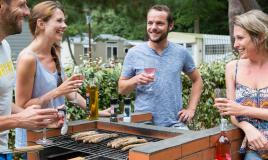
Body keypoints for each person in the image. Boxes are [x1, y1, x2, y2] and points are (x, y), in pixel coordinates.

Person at [14, 0, 110, 151]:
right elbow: (21, 107)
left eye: (64, 21)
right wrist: (57, 92)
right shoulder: (28, 58)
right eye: (59, 21)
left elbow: (70, 92)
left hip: (56, 134)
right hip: (34, 140)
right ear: (41, 24)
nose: (65, 25)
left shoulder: (55, 52)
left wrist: (96, 111)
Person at [118, 5, 203, 128]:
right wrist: (135, 80)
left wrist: (191, 109)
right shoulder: (134, 53)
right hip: (143, 124)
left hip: (175, 124)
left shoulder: (181, 53)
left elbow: (197, 80)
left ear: (170, 25)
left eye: (159, 23)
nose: (153, 27)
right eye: (150, 23)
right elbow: (121, 89)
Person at [0, 0, 60, 158]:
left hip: (3, 150)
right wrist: (18, 120)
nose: (27, 12)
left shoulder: (4, 47)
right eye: (21, 5)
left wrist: (39, 119)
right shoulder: (27, 57)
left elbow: (4, 101)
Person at [214, 10, 268, 160]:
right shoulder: (233, 68)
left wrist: (243, 109)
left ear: (261, 36)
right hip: (256, 149)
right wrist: (247, 126)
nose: (235, 44)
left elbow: (238, 109)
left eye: (240, 38)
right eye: (234, 38)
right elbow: (232, 112)